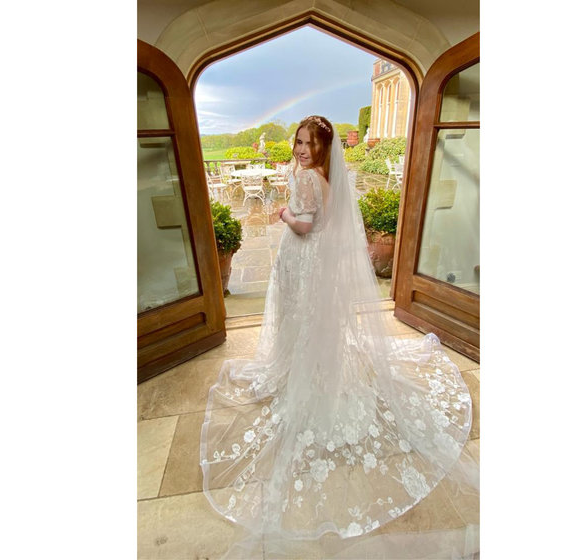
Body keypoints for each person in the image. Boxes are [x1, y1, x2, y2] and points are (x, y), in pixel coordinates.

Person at [201, 115, 479, 559]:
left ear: (324, 148)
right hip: (307, 265)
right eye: (298, 141)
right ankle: (300, 364)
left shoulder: (309, 180)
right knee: (306, 323)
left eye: (309, 144)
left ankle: (300, 372)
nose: (301, 149)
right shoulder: (322, 178)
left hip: (303, 257)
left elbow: (307, 226)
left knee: (301, 320)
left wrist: (284, 213)